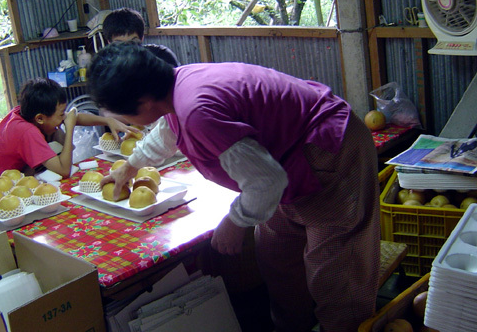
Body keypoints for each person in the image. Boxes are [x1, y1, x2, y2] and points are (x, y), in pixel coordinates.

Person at [87, 42, 381, 332]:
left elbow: (267, 181)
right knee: (276, 257)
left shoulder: (198, 109)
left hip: (327, 148)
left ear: (143, 103)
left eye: (121, 114)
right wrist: (130, 166)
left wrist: (234, 221)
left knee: (335, 271)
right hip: (282, 156)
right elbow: (168, 129)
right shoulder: (173, 88)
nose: (123, 121)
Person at [0, 77, 136, 183]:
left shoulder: (25, 113)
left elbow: (73, 117)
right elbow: (64, 171)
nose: (63, 118)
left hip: (4, 173)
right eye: (60, 114)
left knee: (55, 133)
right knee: (58, 145)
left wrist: (108, 120)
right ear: (40, 118)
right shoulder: (27, 132)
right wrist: (70, 128)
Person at [102, 7, 180, 67]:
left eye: (133, 42)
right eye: (120, 44)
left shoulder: (161, 57)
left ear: (142, 38)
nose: (127, 49)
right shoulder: (105, 67)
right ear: (109, 42)